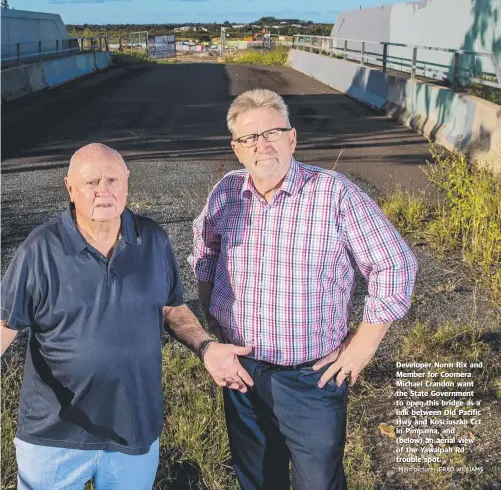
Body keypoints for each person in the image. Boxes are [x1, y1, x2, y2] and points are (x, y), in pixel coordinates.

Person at [191, 89, 419, 490]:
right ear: (237, 149)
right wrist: (213, 315)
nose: (263, 145)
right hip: (241, 371)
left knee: (318, 482)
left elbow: (395, 264)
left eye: (273, 133)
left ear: (292, 138)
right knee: (258, 479)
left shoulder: (334, 193)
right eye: (250, 138)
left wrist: (362, 347)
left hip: (311, 378)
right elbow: (205, 248)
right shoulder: (227, 192)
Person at [0, 143, 253, 490]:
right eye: (91, 183)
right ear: (70, 189)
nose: (104, 190)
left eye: (112, 179)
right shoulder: (40, 248)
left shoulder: (153, 239)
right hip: (54, 436)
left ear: (127, 182)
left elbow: (172, 307)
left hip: (133, 428)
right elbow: (5, 322)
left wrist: (206, 347)